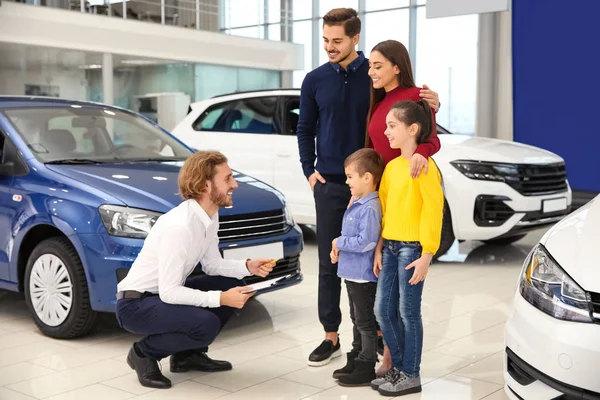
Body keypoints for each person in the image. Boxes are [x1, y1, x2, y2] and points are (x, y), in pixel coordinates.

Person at [296, 7, 440, 367]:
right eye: (326, 40)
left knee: (373, 260)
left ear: (354, 38)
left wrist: (432, 106)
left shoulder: (374, 78)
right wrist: (309, 171)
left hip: (375, 186)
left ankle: (374, 335)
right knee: (330, 260)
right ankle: (331, 335)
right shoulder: (314, 79)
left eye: (337, 40)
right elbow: (305, 128)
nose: (330, 46)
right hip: (331, 182)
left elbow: (415, 122)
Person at [115, 151, 277, 389]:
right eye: (228, 179)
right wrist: (221, 299)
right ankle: (143, 353)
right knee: (206, 322)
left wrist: (247, 266)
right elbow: (169, 292)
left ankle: (186, 355)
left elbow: (212, 265)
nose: (235, 184)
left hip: (159, 295)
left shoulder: (210, 216)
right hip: (136, 305)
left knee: (227, 282)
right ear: (205, 186)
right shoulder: (180, 226)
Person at [366, 39, 442, 376]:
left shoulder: (415, 97)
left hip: (408, 183)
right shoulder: (378, 99)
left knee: (404, 307)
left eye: (378, 65)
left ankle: (399, 364)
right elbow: (372, 146)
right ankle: (391, 357)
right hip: (385, 189)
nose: (372, 72)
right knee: (383, 301)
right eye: (370, 65)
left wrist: (419, 156)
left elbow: (431, 139)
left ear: (398, 65)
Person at [329, 148, 384, 386]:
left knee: (365, 321)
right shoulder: (358, 203)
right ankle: (356, 357)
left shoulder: (370, 207)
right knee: (355, 318)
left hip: (362, 276)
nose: (346, 181)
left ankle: (367, 364)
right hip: (351, 273)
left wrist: (339, 242)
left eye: (350, 176)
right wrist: (338, 249)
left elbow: (367, 241)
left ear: (368, 177)